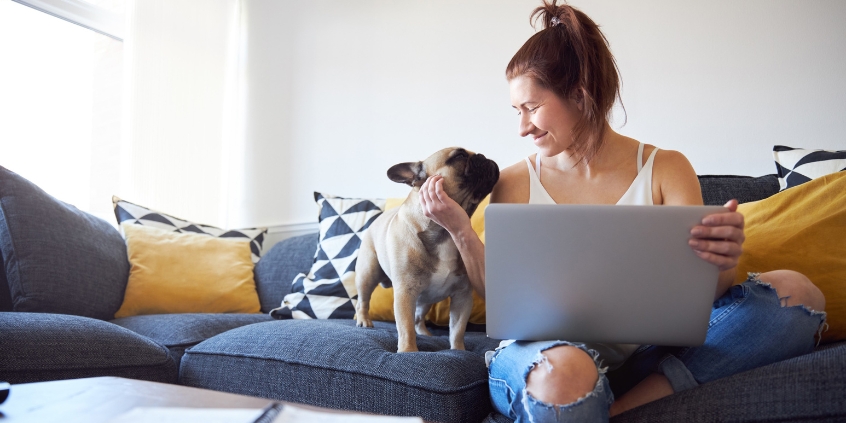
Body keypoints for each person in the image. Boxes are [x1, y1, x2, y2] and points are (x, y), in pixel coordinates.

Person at [417, 1, 828, 422]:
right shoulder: (515, 181)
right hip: (546, 358)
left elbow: (712, 292)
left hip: (647, 355)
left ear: (580, 94)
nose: (522, 127)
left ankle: (610, 410)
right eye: (516, 111)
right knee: (567, 373)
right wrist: (461, 229)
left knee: (799, 296)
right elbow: (500, 295)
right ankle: (593, 398)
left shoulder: (667, 168)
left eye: (532, 108)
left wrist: (721, 259)